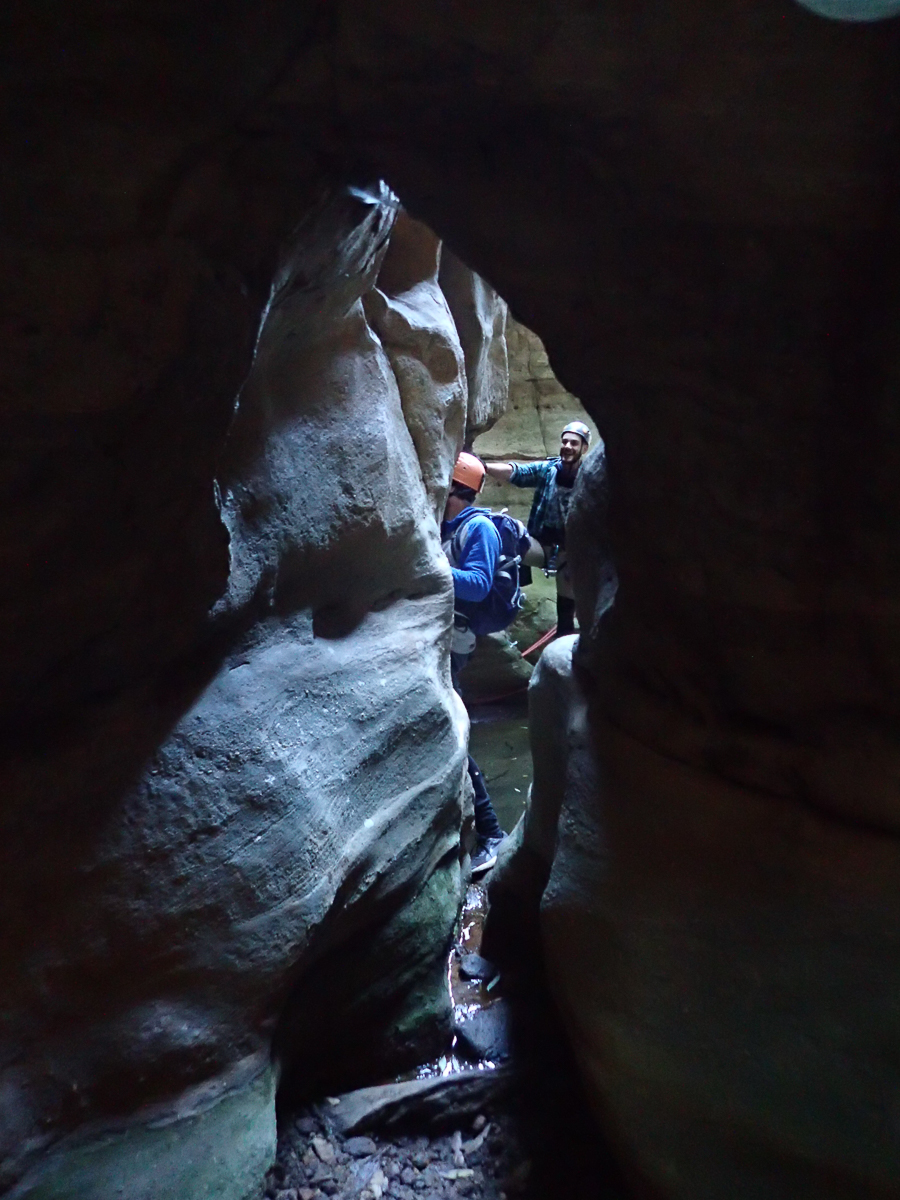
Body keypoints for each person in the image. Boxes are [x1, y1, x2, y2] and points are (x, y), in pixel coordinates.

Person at [441, 451, 507, 875]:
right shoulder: (448, 526)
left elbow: (480, 585)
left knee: (453, 730)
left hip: (456, 642)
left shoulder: (478, 528)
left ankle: (491, 833)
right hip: (441, 636)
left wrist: (428, 569)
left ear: (455, 488)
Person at [484, 420, 591, 637]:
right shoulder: (548, 470)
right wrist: (482, 466)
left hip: (571, 553)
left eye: (574, 443)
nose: (567, 446)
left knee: (565, 617)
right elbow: (517, 472)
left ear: (584, 448)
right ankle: (509, 594)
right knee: (507, 531)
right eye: (565, 442)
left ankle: (565, 645)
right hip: (542, 546)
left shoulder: (590, 478)